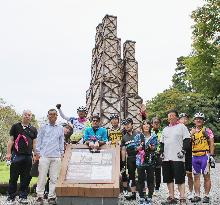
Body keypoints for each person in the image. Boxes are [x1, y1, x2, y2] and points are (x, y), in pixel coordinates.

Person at [6, 110, 38, 204]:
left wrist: (35, 154)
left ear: (31, 117)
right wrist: (8, 153)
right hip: (16, 155)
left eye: (29, 115)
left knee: (26, 177)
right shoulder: (15, 126)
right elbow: (11, 140)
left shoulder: (33, 129)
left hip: (28, 156)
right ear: (22, 115)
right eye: (25, 114)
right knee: (13, 177)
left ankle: (23, 197)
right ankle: (11, 197)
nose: (27, 116)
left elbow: (35, 143)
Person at [160, 110, 191, 205]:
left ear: (177, 117)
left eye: (172, 116)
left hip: (178, 157)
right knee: (168, 178)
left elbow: (187, 140)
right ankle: (172, 197)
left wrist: (183, 151)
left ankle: (182, 198)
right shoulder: (165, 129)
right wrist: (161, 152)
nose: (170, 117)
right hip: (166, 157)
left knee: (180, 178)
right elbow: (162, 143)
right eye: (169, 116)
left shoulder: (182, 127)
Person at [35, 109, 64, 205]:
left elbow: (61, 142)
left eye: (54, 114)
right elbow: (39, 140)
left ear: (57, 116)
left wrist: (62, 153)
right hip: (44, 156)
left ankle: (51, 197)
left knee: (54, 178)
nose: (52, 116)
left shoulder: (60, 128)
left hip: (56, 156)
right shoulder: (43, 127)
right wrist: (37, 153)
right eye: (50, 114)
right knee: (42, 177)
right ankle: (39, 196)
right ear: (48, 116)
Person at [190, 112, 215, 203]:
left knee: (206, 176)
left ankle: (206, 195)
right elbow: (186, 143)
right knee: (196, 177)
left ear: (203, 121)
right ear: (194, 121)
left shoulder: (207, 130)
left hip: (205, 155)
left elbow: (211, 142)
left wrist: (211, 155)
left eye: (200, 118)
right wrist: (190, 134)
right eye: (197, 118)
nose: (198, 120)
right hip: (194, 156)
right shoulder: (191, 131)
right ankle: (197, 195)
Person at [134, 120, 158, 205]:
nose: (146, 126)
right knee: (140, 179)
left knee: (151, 179)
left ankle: (150, 197)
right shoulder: (138, 136)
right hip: (140, 161)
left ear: (150, 126)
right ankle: (141, 196)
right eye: (144, 124)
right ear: (142, 126)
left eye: (148, 124)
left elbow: (155, 147)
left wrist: (152, 148)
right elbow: (135, 148)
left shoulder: (154, 136)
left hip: (150, 160)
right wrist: (139, 147)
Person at [121, 118, 138, 201]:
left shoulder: (138, 133)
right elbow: (123, 150)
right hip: (130, 158)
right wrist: (123, 161)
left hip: (139, 157)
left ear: (132, 124)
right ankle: (133, 194)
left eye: (128, 124)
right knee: (131, 177)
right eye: (125, 124)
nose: (127, 126)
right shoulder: (124, 137)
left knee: (142, 176)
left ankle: (144, 194)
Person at [179, 113, 194, 200]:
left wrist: (191, 134)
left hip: (188, 155)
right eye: (182, 118)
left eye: (185, 119)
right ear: (179, 120)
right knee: (179, 175)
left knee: (189, 174)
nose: (184, 120)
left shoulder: (191, 130)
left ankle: (191, 191)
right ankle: (180, 192)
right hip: (179, 155)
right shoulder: (176, 129)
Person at [151, 117, 162, 194]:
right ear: (152, 124)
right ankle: (151, 186)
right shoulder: (149, 132)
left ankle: (157, 187)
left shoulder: (162, 133)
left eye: (158, 122)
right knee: (150, 171)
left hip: (158, 154)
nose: (156, 124)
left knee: (158, 171)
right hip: (150, 154)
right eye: (155, 122)